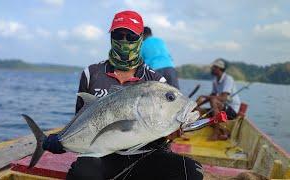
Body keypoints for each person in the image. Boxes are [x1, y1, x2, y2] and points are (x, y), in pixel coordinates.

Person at [43, 10, 203, 180]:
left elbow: (158, 130)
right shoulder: (92, 73)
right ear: (111, 36)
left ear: (141, 38)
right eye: (118, 34)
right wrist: (61, 139)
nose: (124, 41)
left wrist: (170, 130)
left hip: (145, 155)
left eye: (131, 37)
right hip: (102, 156)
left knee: (190, 172)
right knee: (83, 173)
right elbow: (81, 117)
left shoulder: (156, 80)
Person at [196, 58, 241, 140]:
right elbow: (212, 95)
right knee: (199, 111)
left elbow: (223, 98)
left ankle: (216, 133)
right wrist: (197, 105)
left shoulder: (228, 79)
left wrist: (204, 96)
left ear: (219, 68)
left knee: (213, 100)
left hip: (231, 110)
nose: (211, 69)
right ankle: (224, 130)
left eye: (213, 67)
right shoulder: (215, 81)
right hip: (220, 108)